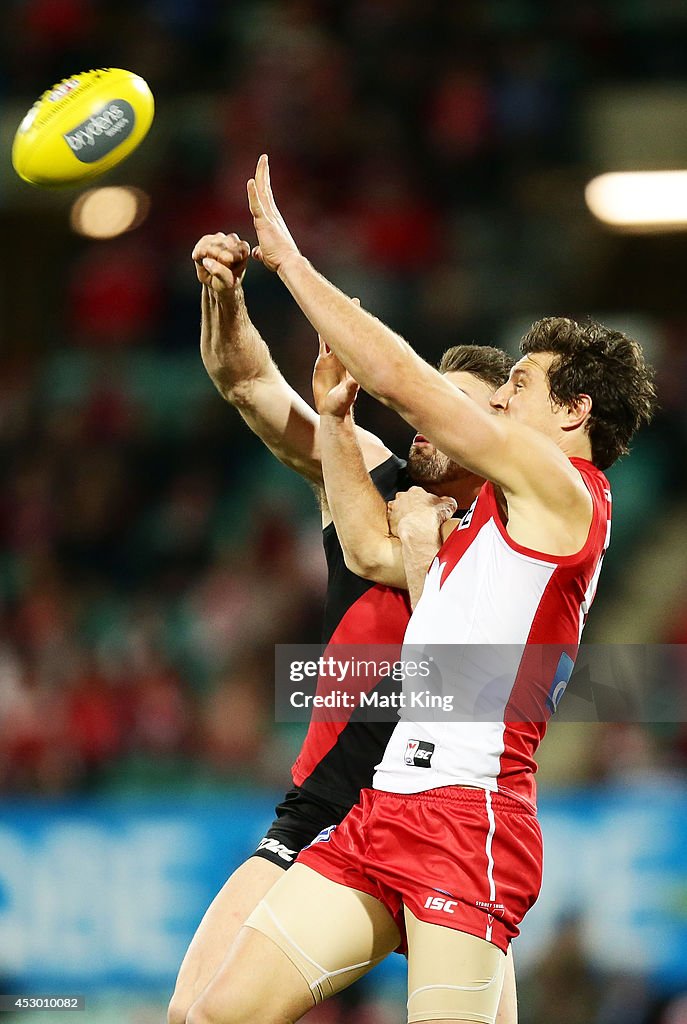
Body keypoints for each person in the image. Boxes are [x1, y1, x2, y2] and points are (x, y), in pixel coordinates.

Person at [184, 156, 656, 1024]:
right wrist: (330, 419)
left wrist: (290, 262)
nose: (501, 401)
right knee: (213, 1016)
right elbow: (363, 539)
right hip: (379, 810)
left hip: (465, 818)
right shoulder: (471, 520)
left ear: (573, 414)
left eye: (519, 384)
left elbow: (405, 383)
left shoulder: (565, 493)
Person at [169, 232, 516, 1024]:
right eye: (421, 397)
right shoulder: (370, 478)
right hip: (326, 813)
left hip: (446, 822)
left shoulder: (512, 547)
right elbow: (249, 382)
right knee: (196, 1017)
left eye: (446, 405)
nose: (422, 421)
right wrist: (224, 295)